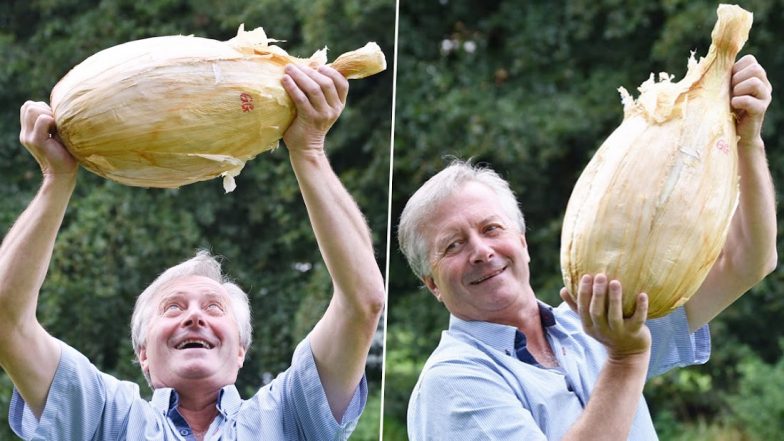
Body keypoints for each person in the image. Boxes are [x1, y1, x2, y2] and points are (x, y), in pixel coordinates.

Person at [398, 55, 776, 440]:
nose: (480, 251)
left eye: (491, 228)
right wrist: (626, 360)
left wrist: (748, 141)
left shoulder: (596, 322)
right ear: (432, 284)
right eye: (453, 246)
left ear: (523, 242)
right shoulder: (452, 383)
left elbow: (746, 261)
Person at [0, 64, 385, 440]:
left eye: (215, 308)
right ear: (143, 354)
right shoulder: (104, 416)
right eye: (173, 308)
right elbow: (6, 319)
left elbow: (362, 301)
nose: (195, 317)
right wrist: (57, 178)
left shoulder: (288, 416)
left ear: (240, 351)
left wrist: (310, 150)